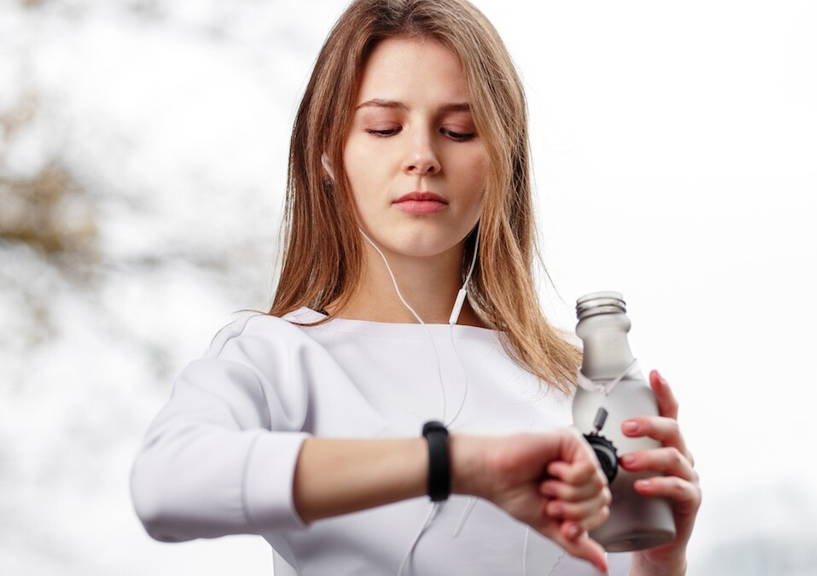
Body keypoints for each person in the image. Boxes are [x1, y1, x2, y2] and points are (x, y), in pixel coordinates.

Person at [129, 0, 700, 574]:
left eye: (458, 130)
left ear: (504, 157)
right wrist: (455, 465)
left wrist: (658, 563)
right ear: (329, 151)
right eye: (384, 127)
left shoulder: (577, 387)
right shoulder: (277, 357)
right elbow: (165, 484)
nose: (422, 157)